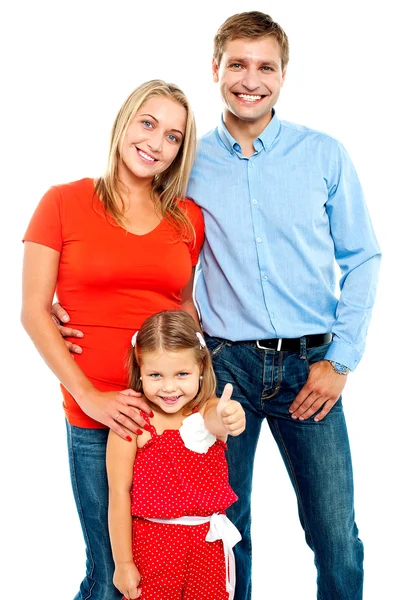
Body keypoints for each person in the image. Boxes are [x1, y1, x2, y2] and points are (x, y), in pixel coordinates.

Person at [52, 11, 381, 600]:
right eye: (237, 64)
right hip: (223, 368)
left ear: (284, 75)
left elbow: (363, 258)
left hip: (313, 368)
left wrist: (342, 360)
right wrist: (62, 298)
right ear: (216, 69)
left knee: (336, 535)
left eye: (265, 67)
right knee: (226, 528)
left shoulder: (325, 155)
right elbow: (140, 237)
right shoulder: (186, 162)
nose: (249, 79)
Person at [21, 79, 205, 600]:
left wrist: (200, 391)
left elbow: (183, 308)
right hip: (95, 416)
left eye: (173, 136)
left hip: (170, 419)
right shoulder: (62, 202)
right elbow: (33, 311)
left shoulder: (187, 219)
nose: (155, 142)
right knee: (110, 576)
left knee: (166, 571)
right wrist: (90, 397)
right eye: (148, 123)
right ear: (124, 122)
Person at [106, 309, 245, 600]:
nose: (169, 387)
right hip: (153, 549)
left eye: (182, 374)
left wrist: (230, 414)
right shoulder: (134, 423)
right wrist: (123, 563)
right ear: (140, 373)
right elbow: (119, 494)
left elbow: (219, 418)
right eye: (156, 375)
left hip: (207, 550)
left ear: (201, 370)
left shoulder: (206, 411)